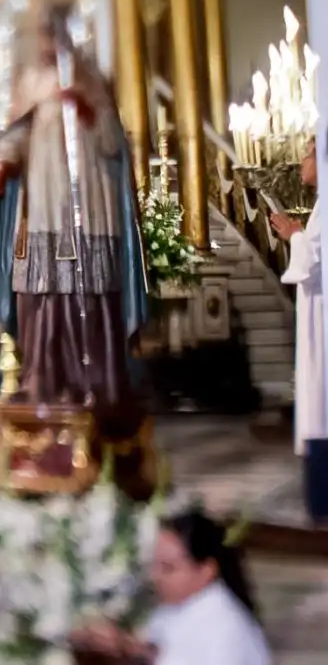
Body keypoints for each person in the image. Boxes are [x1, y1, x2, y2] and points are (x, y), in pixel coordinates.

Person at [0, 0, 150, 434]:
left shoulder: (91, 78)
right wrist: (2, 165)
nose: (49, 43)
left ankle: (98, 384)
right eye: (44, 34)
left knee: (90, 292)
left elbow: (114, 144)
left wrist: (89, 112)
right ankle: (46, 383)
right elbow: (15, 136)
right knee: (42, 294)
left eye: (57, 32)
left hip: (88, 206)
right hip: (43, 206)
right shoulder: (30, 81)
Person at [70, 509, 270, 664]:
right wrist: (120, 646)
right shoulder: (179, 605)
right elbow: (162, 650)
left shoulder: (225, 628)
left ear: (207, 570)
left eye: (168, 568)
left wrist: (127, 648)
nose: (155, 576)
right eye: (153, 564)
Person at [271, 135, 322, 455]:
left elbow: (315, 260)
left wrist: (295, 235)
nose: (302, 160)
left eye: (308, 154)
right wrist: (298, 234)